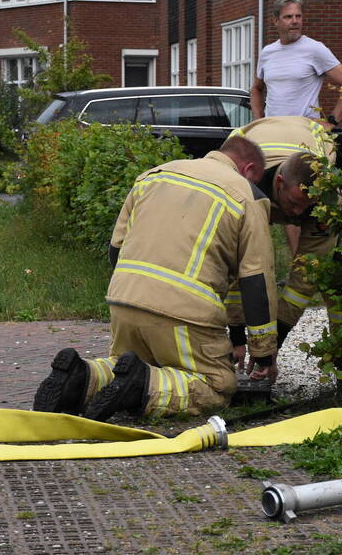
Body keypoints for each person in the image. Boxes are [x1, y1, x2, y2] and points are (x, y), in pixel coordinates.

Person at [33, 135, 279, 422]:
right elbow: (256, 280)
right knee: (216, 385)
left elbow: (116, 249)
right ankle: (142, 388)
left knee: (123, 367)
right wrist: (263, 354)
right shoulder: (247, 196)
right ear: (248, 170)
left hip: (124, 299)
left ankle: (80, 377)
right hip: (184, 315)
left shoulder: (152, 176)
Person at [226, 116, 342, 398]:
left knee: (341, 277)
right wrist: (237, 335)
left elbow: (304, 281)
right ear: (280, 182)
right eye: (294, 204)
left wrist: (271, 349)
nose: (298, 214)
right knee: (234, 263)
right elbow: (241, 268)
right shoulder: (242, 186)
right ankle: (222, 359)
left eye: (307, 206)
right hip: (253, 156)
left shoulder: (326, 198)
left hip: (309, 148)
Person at [251, 0, 342, 130]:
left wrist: (331, 122)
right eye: (288, 17)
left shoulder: (315, 49)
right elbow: (256, 88)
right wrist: (259, 121)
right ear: (276, 21)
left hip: (304, 133)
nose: (295, 21)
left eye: (298, 16)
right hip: (272, 131)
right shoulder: (267, 52)